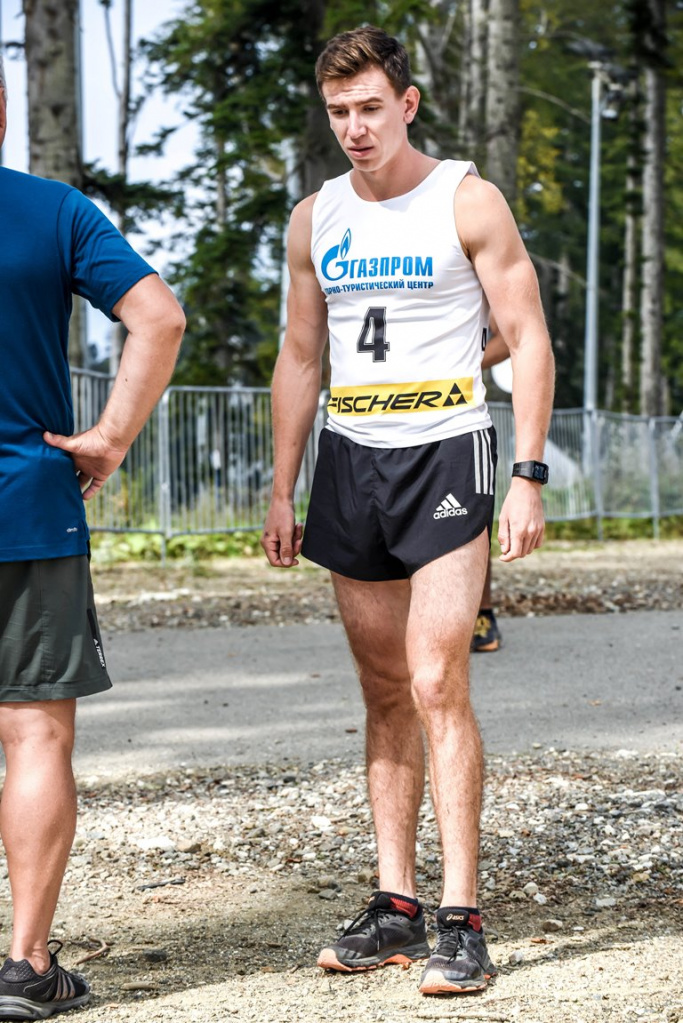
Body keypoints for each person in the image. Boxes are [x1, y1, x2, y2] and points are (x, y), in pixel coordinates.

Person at [261, 26, 554, 997]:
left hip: (447, 454)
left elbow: (527, 335)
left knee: (435, 681)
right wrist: (280, 486)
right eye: (338, 112)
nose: (353, 128)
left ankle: (460, 918)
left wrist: (526, 473)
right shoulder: (314, 219)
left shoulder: (465, 199)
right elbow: (301, 358)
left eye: (369, 108)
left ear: (408, 102)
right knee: (383, 690)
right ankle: (394, 905)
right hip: (349, 464)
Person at [0, 59, 185, 1019]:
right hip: (28, 504)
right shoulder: (53, 210)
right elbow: (158, 315)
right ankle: (24, 966)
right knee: (32, 731)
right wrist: (110, 437)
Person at [472, 326, 511, 654]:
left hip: (457, 417)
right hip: (380, 417)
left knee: (470, 528)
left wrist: (461, 362)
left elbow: (512, 336)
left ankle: (481, 613)